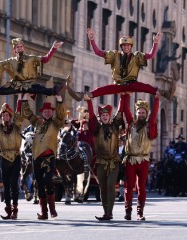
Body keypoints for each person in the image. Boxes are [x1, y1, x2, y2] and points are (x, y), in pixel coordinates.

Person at [67, 28, 175, 101]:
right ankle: (80, 95)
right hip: (118, 84)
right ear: (121, 46)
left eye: (128, 45)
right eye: (124, 45)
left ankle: (166, 93)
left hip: (132, 83)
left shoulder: (136, 56)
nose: (126, 47)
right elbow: (98, 52)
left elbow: (151, 55)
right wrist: (92, 40)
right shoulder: (114, 55)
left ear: (131, 46)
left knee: (146, 87)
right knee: (103, 89)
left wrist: (155, 43)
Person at [0, 38, 66, 100]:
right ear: (14, 49)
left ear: (23, 48)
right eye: (17, 47)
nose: (19, 48)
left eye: (21, 46)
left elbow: (46, 59)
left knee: (41, 89)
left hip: (28, 84)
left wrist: (53, 48)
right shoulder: (11, 61)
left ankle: (56, 90)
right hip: (15, 85)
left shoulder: (30, 58)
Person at [22, 90, 67, 220]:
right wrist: (24, 98)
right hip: (36, 157)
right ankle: (44, 212)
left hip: (49, 157)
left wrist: (59, 99)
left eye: (49, 111)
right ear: (42, 112)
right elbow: (27, 113)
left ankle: (52, 209)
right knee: (39, 183)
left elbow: (61, 114)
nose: (47, 113)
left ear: (52, 112)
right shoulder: (37, 122)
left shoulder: (56, 123)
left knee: (48, 180)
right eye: (45, 111)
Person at [84, 93, 125, 220]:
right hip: (101, 162)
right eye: (103, 115)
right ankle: (105, 212)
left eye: (107, 115)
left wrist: (123, 96)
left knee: (110, 184)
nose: (105, 117)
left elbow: (120, 110)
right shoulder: (96, 128)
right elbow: (91, 115)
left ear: (109, 116)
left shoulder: (115, 125)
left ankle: (110, 212)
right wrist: (89, 102)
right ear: (100, 117)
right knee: (102, 188)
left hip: (114, 161)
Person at [123, 92, 160, 221]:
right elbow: (125, 109)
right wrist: (125, 95)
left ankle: (140, 212)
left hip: (143, 160)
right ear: (136, 113)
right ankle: (128, 211)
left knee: (141, 187)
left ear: (146, 114)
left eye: (143, 113)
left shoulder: (149, 126)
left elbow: (154, 115)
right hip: (131, 159)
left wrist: (156, 99)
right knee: (128, 187)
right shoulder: (131, 124)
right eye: (139, 112)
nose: (141, 114)